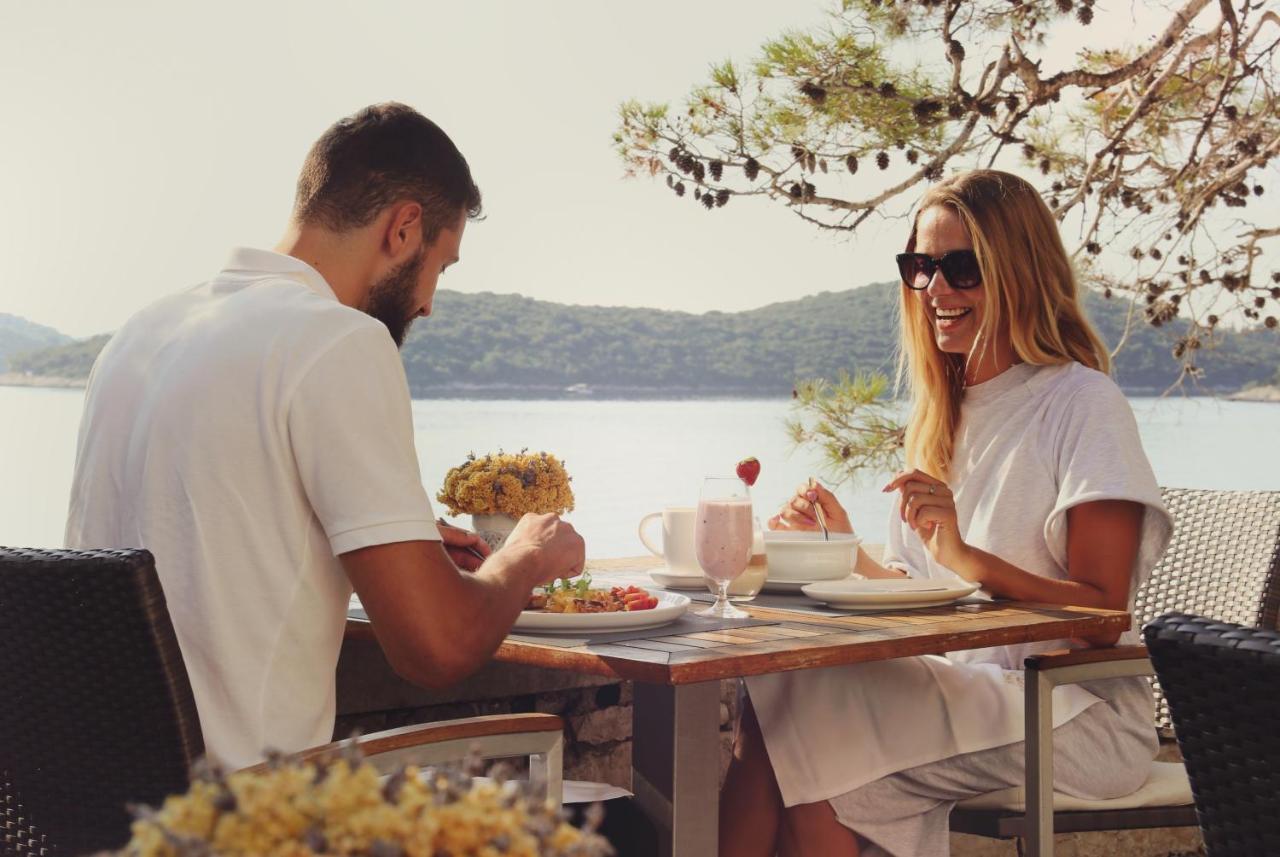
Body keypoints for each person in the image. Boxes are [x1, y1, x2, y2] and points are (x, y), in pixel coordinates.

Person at [64, 103, 585, 770]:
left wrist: (393, 537)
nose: (429, 302)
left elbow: (202, 536)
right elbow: (438, 646)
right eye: (442, 267)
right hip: (248, 821)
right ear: (403, 228)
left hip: (99, 816)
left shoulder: (140, 333)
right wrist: (526, 555)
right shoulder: (339, 342)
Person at [720, 170, 1172, 857]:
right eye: (920, 266)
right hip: (971, 692)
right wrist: (847, 549)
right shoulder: (942, 414)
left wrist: (968, 558)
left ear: (1018, 271)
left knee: (807, 742)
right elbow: (926, 596)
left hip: (1075, 713)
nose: (935, 288)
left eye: (960, 267)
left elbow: (1105, 615)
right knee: (782, 707)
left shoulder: (1081, 404)